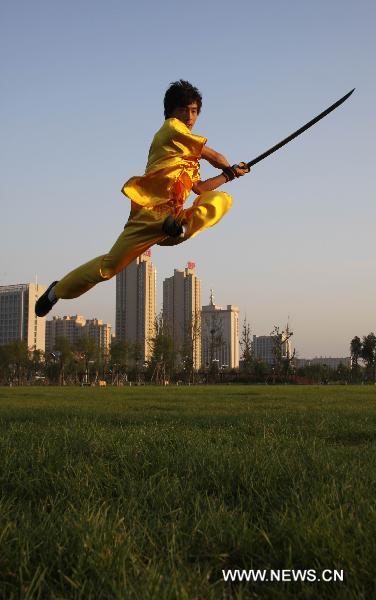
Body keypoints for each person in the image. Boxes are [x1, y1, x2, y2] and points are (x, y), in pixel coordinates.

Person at [35, 80, 250, 317]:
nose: (189, 117)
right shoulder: (171, 129)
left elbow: (200, 188)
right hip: (147, 218)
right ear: (171, 112)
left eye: (194, 111)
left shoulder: (190, 160)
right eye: (183, 110)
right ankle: (56, 292)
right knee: (107, 268)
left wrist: (229, 175)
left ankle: (181, 228)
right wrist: (229, 164)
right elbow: (213, 155)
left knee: (222, 199)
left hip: (172, 224)